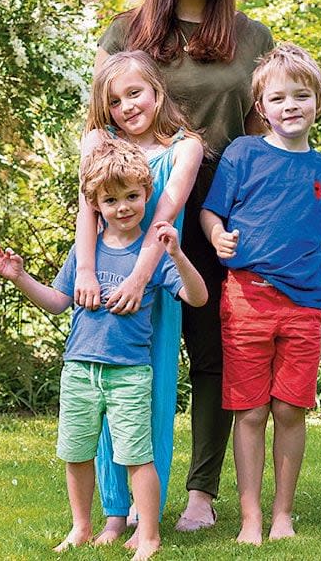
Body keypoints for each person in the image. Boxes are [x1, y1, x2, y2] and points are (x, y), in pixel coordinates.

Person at [82, 0, 274, 532]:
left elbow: (256, 130)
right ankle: (123, 505)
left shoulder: (251, 38)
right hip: (139, 207)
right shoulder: (126, 32)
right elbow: (101, 129)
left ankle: (201, 492)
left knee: (213, 349)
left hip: (218, 207)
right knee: (128, 353)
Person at [0, 139, 208, 560]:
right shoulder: (83, 252)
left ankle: (148, 535)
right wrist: (20, 278)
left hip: (129, 372)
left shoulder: (156, 253)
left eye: (132, 196)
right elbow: (57, 302)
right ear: (94, 204)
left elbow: (197, 297)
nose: (123, 206)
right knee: (76, 452)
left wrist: (178, 253)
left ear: (147, 194)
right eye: (111, 199)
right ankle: (81, 527)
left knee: (136, 456)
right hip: (79, 370)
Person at [199, 44, 321, 545]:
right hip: (246, 297)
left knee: (289, 410)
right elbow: (210, 212)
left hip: (304, 307)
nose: (290, 106)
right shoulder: (243, 153)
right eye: (278, 98)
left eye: (301, 96)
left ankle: (282, 514)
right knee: (251, 410)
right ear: (261, 107)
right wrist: (217, 235)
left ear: (318, 102)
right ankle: (250, 519)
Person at [74, 51, 204, 545]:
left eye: (135, 93)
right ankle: (112, 512)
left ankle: (142, 515)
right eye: (115, 100)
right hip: (101, 283)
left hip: (156, 285)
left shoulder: (184, 148)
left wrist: (139, 281)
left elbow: (165, 217)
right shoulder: (96, 143)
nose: (127, 105)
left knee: (149, 394)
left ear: (156, 91)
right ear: (104, 108)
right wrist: (86, 271)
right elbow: (86, 214)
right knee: (104, 392)